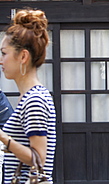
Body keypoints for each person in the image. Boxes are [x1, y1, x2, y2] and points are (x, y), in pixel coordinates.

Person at [0, 9, 56, 183]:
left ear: (23, 56)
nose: (1, 60)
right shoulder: (29, 97)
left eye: (4, 53)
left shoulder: (34, 100)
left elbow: (38, 158)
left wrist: (2, 137)